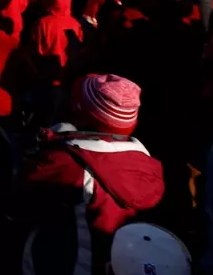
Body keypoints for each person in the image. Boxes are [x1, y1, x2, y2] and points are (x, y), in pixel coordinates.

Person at [18, 74, 165, 275]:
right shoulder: (146, 163)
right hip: (118, 264)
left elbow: (19, 205)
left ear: (80, 112)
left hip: (67, 264)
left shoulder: (68, 164)